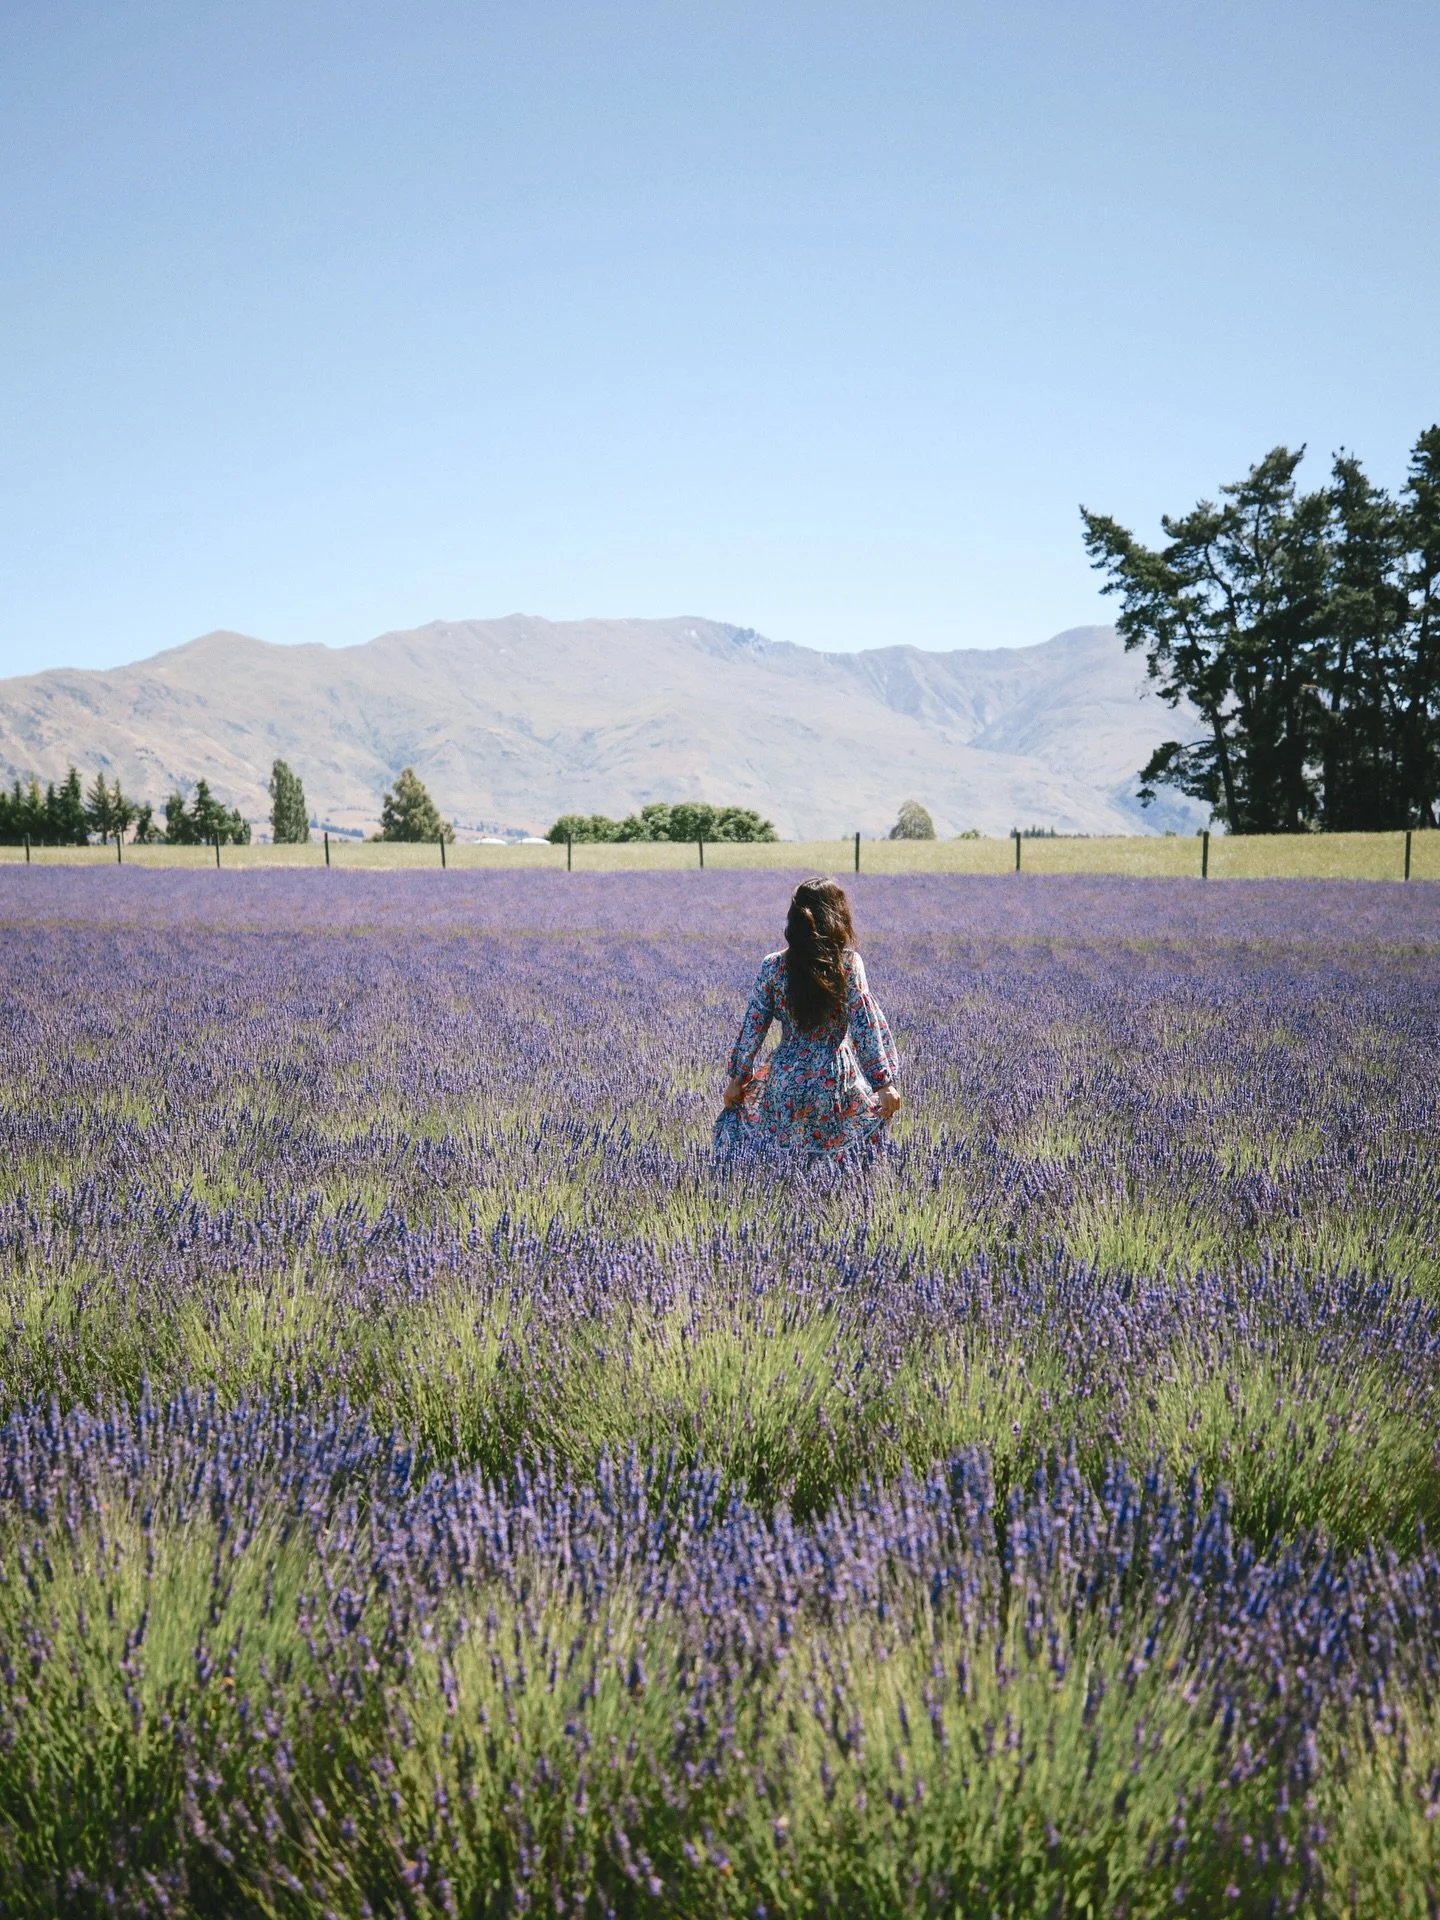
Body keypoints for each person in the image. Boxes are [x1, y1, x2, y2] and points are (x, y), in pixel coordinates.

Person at [719, 876, 901, 1157]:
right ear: (838, 917)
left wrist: (738, 1078)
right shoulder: (848, 964)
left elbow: (753, 1026)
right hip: (835, 1079)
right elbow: (865, 1024)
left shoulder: (773, 966)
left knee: (782, 1159)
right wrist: (883, 1083)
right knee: (838, 1161)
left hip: (784, 1079)